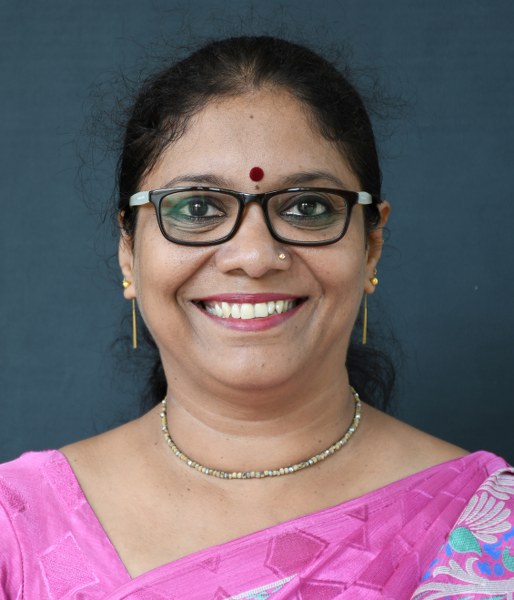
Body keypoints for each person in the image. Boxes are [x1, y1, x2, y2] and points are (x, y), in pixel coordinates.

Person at [1, 36, 513, 600]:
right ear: (129, 250)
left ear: (371, 247)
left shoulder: (490, 528)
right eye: (197, 207)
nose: (253, 256)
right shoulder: (18, 529)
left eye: (307, 207)